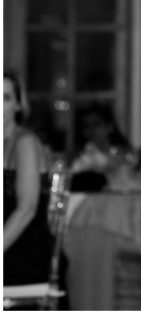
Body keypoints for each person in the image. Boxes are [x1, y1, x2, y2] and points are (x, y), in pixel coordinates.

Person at [4, 70, 54, 286]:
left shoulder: (25, 142)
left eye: (5, 98)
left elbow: (26, 210)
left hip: (23, 252)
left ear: (18, 105)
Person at [70, 101, 137, 191]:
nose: (91, 130)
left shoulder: (125, 152)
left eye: (96, 124)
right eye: (87, 126)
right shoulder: (83, 156)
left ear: (109, 126)